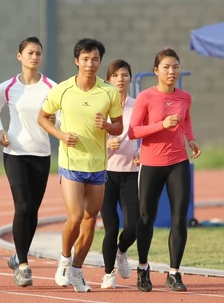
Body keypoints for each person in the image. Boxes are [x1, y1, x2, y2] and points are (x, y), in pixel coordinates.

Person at [38, 38, 123, 292]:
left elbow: (119, 126)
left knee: (90, 219)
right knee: (75, 216)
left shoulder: (109, 91)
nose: (90, 64)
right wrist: (61, 135)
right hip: (71, 161)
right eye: (85, 59)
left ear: (100, 61)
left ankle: (76, 269)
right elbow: (42, 117)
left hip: (97, 164)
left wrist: (107, 126)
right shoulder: (62, 90)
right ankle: (64, 259)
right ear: (77, 61)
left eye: (95, 59)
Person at [128, 48, 201, 293]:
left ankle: (174, 273)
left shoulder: (185, 97)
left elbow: (187, 121)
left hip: (178, 162)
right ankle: (142, 267)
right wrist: (161, 125)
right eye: (167, 67)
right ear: (156, 71)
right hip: (151, 164)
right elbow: (133, 132)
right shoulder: (146, 98)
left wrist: (190, 140)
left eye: (175, 67)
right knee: (146, 218)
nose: (172, 72)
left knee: (179, 219)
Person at [0, 37, 57, 287]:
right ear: (20, 56)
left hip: (41, 154)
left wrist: (59, 130)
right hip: (15, 152)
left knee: (34, 211)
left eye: (38, 53)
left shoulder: (51, 87)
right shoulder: (7, 87)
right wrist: (0, 132)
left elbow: (58, 118)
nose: (34, 57)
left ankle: (18, 255)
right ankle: (25, 265)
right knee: (23, 206)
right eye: (30, 53)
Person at [100, 59, 140, 289]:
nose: (120, 79)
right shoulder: (102, 107)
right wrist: (107, 147)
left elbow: (146, 134)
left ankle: (122, 252)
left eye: (124, 75)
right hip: (106, 174)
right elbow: (93, 141)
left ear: (130, 78)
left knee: (133, 226)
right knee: (111, 228)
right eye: (116, 75)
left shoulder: (137, 106)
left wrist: (142, 150)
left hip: (131, 173)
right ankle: (108, 274)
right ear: (109, 79)